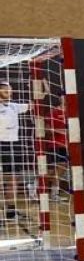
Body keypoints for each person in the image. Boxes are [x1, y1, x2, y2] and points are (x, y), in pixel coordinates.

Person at [0, 81, 31, 227]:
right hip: (2, 144)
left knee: (13, 180)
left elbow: (34, 103)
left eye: (10, 89)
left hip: (13, 145)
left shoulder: (13, 106)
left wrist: (36, 85)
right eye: (5, 90)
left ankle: (11, 212)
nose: (9, 92)